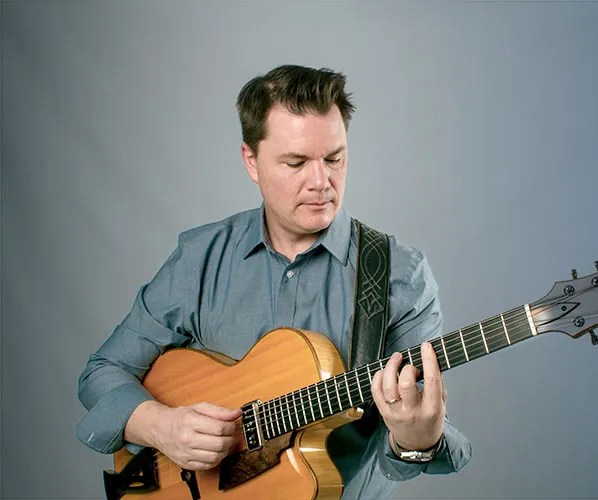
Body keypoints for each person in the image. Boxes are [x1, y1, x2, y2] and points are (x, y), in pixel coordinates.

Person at [77, 64, 472, 499]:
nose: (321, 182)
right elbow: (102, 373)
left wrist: (418, 440)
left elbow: (423, 443)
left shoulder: (399, 274)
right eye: (296, 162)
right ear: (252, 161)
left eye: (335, 159)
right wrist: (161, 426)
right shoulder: (201, 257)